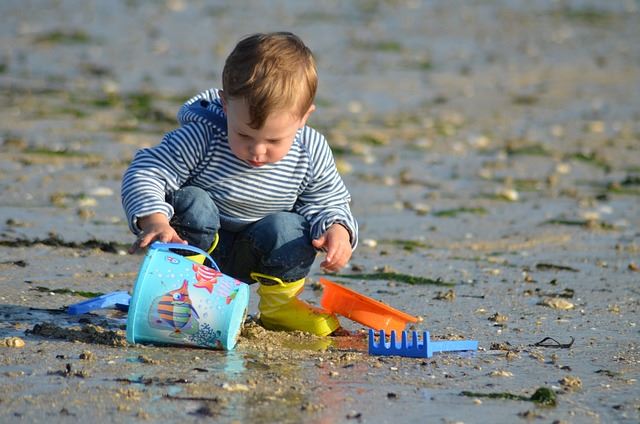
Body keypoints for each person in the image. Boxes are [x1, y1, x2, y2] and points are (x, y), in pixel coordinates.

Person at [121, 32, 358, 336]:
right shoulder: (203, 137)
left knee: (290, 228)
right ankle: (187, 295)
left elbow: (327, 201)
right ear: (225, 104)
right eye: (244, 135)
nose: (257, 151)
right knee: (194, 202)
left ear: (303, 117)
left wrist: (337, 228)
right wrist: (153, 219)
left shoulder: (310, 151)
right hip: (196, 253)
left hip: (258, 254)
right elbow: (147, 170)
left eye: (274, 140)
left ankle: (279, 308)